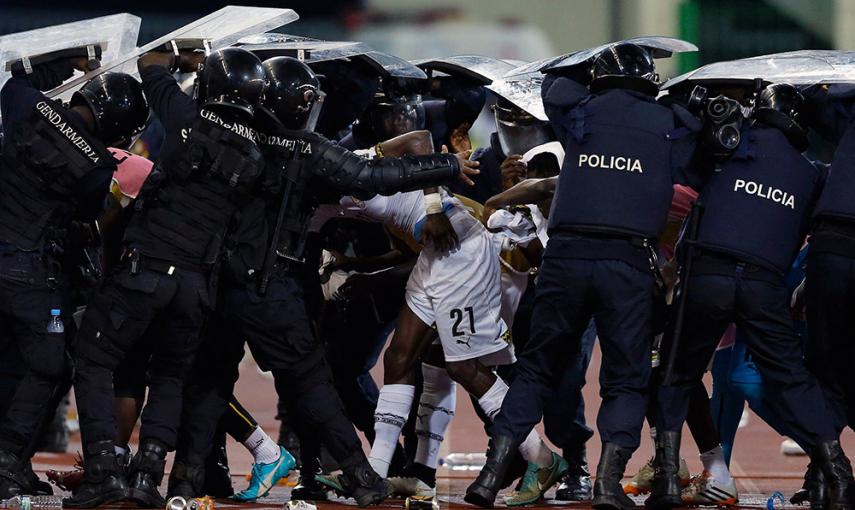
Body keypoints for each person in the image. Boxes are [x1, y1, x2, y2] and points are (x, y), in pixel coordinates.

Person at [169, 56, 479, 508]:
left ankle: (187, 480)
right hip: (272, 284)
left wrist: (164, 71)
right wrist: (444, 170)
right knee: (311, 381)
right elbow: (372, 176)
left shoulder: (225, 135)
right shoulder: (305, 149)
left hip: (218, 278)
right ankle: (361, 477)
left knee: (208, 379)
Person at [465, 42, 703, 510]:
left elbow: (554, 80)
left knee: (535, 369)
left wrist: (588, 61)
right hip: (628, 263)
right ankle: (608, 486)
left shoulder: (577, 111)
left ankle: (490, 478)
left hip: (565, 258)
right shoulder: (667, 121)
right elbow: (699, 147)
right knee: (626, 381)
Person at [65, 46, 269, 508]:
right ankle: (147, 477)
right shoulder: (256, 156)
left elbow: (149, 64)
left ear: (211, 86)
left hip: (145, 269)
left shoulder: (187, 118)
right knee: (171, 379)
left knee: (95, 361)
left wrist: (185, 57)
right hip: (196, 286)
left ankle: (102, 471)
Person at [649, 84, 854, 510]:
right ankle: (836, 472)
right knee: (793, 379)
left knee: (676, 373)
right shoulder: (811, 173)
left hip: (708, 274)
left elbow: (680, 165)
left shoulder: (725, 146)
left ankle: (667, 477)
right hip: (764, 285)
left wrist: (704, 113)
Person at [0, 53, 148, 499]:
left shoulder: (26, 105)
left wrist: (67, 58)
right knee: (49, 364)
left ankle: (12, 462)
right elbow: (84, 217)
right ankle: (7, 461)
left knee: (9, 359)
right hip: (28, 270)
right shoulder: (99, 168)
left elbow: (19, 77)